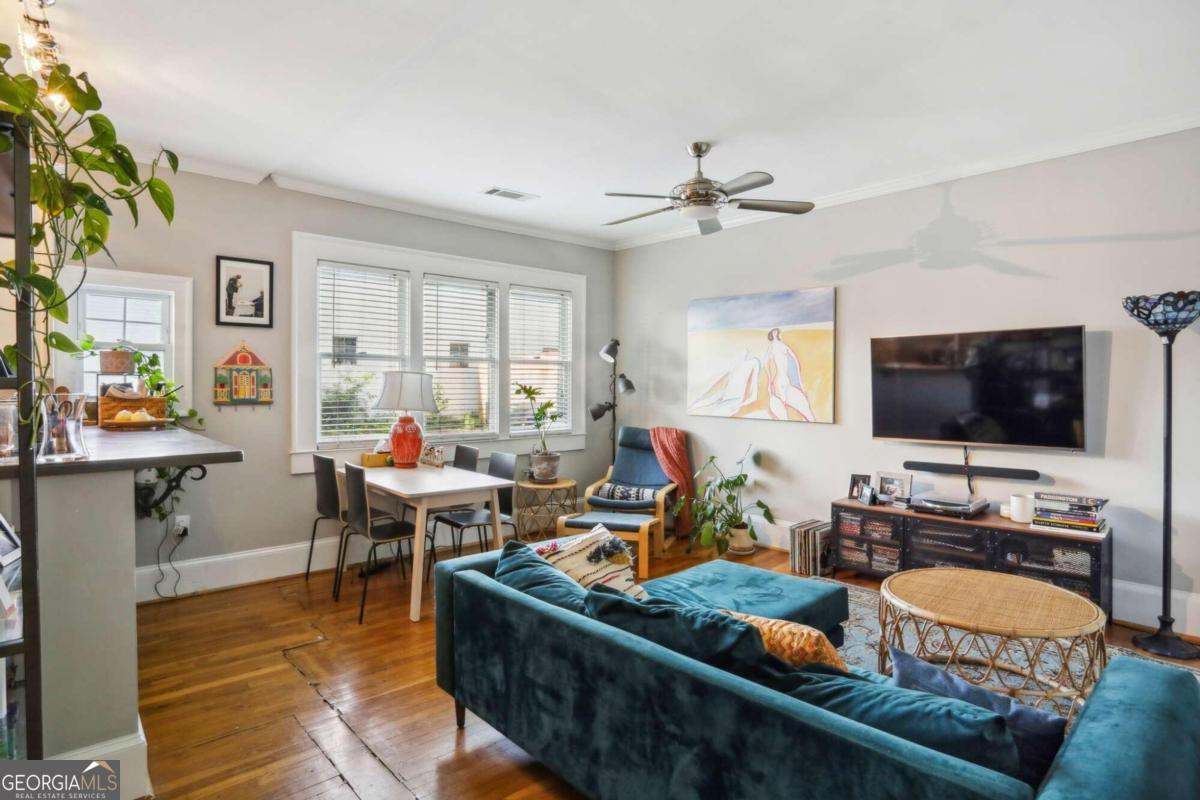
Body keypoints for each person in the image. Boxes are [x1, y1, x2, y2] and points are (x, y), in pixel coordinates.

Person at [764, 327, 816, 421]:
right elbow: (766, 361)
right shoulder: (772, 347)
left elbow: (794, 358)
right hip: (779, 380)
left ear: (778, 333)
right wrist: (770, 378)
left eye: (776, 332)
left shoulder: (783, 345)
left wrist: (798, 379)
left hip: (786, 378)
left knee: (802, 404)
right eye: (773, 332)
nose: (775, 333)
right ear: (771, 334)